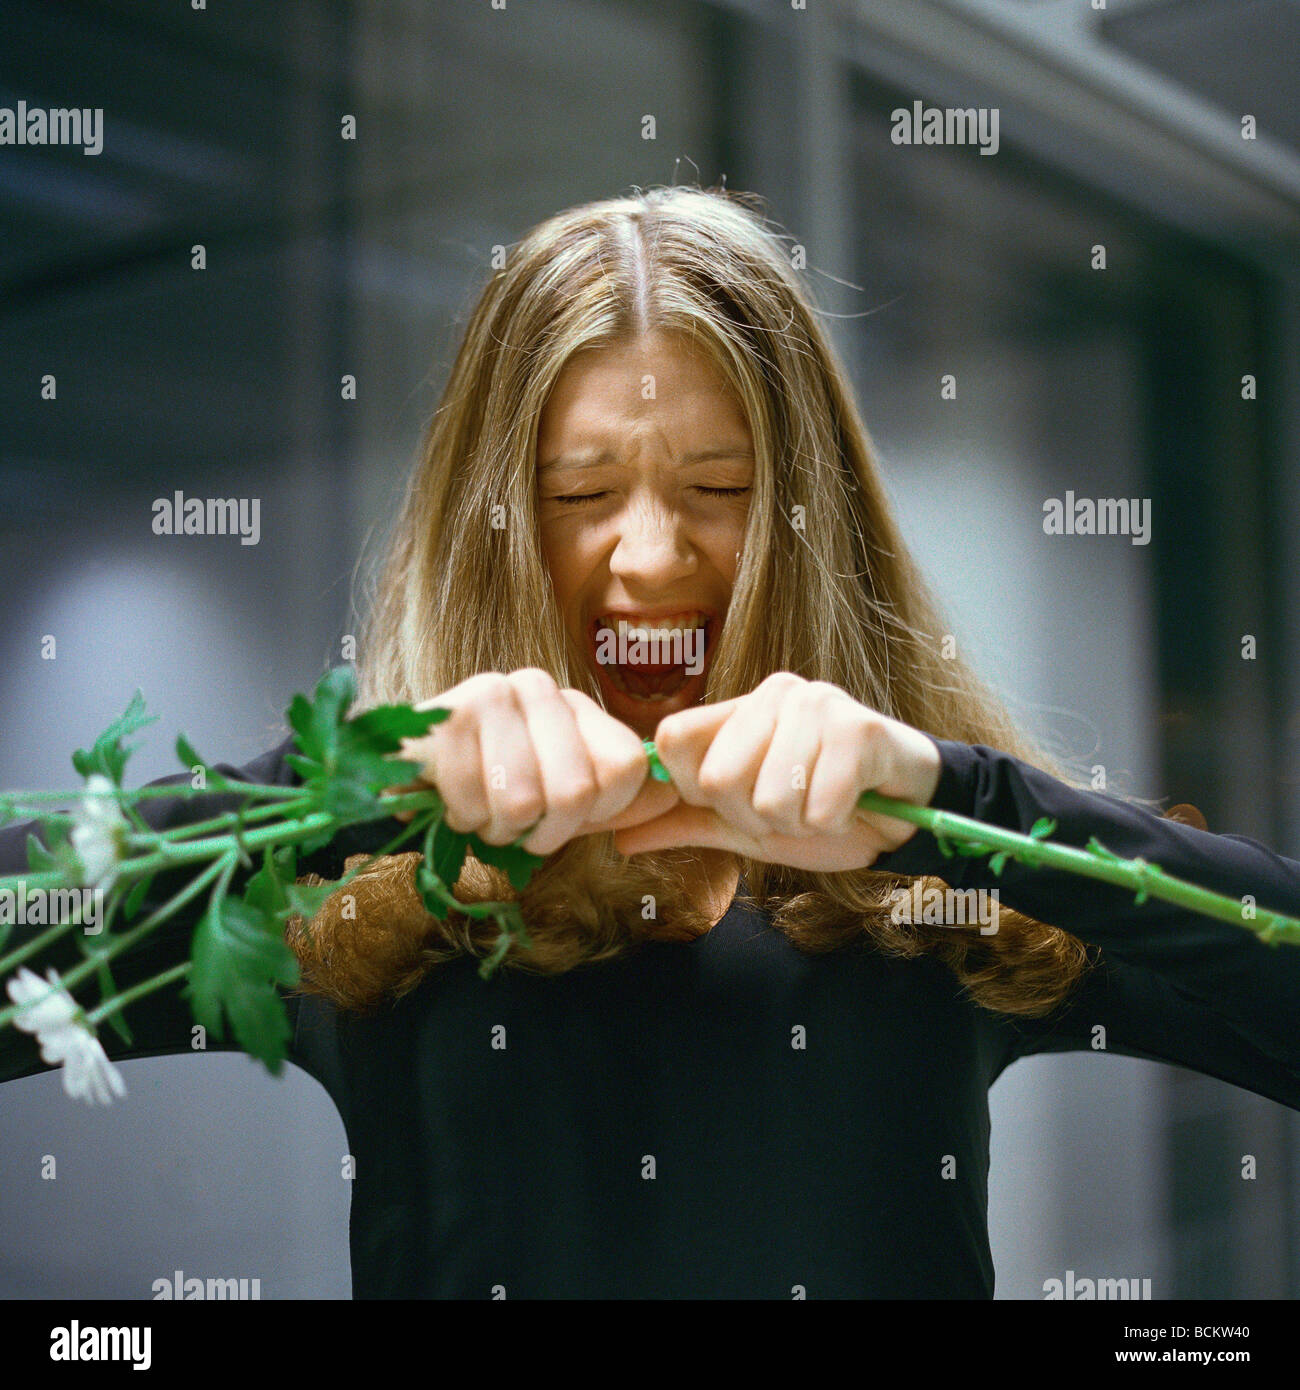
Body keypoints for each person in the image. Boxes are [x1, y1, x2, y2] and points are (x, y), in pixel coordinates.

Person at [2, 185, 1299, 1299]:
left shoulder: (938, 882)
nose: (649, 553)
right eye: (580, 495)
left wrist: (961, 794)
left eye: (718, 490)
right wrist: (359, 783)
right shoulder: (359, 886)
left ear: (807, 516)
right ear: (498, 521)